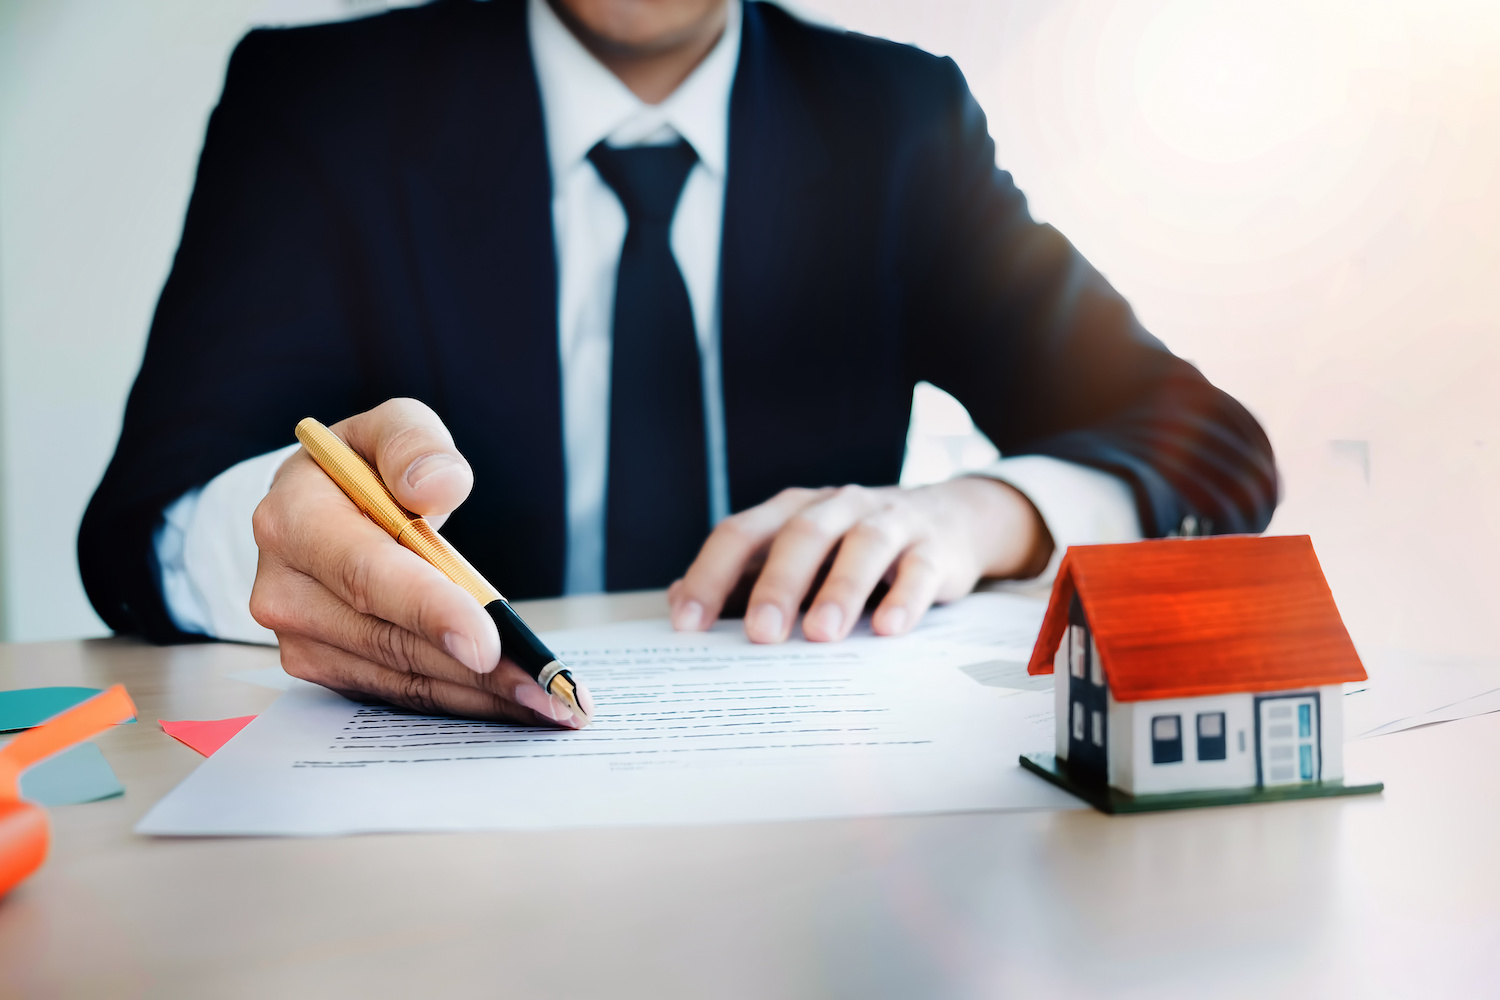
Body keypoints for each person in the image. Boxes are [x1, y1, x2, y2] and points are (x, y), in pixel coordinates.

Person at [79, 0, 1277, 729]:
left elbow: (1210, 447)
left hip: (814, 827)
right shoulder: (320, 104)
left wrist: (983, 515)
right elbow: (140, 521)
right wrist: (273, 537)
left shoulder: (896, 120)